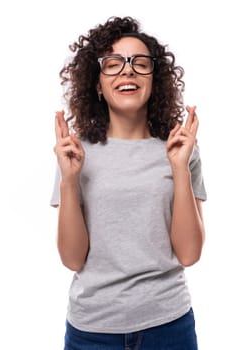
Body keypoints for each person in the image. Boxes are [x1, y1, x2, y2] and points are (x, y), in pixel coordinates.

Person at [51, 16, 206, 349]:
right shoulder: (75, 153)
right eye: (113, 64)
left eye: (140, 63)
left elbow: (189, 253)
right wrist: (68, 180)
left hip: (169, 328)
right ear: (97, 83)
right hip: (92, 331)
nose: (128, 71)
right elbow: (73, 259)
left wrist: (179, 168)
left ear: (155, 78)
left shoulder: (180, 148)